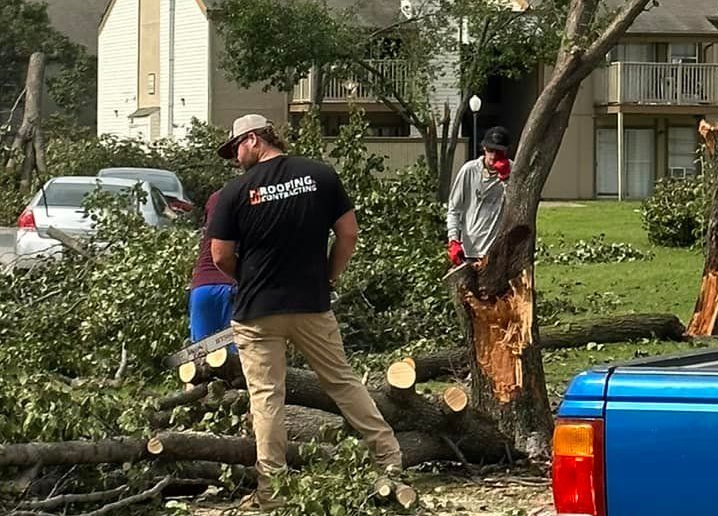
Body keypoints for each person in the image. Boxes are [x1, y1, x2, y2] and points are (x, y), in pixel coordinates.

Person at [208, 114, 403, 493]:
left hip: (258, 308)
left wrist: (246, 278)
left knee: (266, 397)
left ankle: (272, 487)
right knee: (342, 382)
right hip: (311, 302)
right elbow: (348, 233)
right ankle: (389, 457)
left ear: (253, 139)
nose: (235, 158)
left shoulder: (235, 192)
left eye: (235, 148)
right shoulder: (320, 175)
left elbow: (220, 255)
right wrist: (329, 276)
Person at [446, 124, 512, 269]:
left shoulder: (513, 171)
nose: (493, 156)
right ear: (484, 148)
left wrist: (506, 178)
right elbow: (454, 209)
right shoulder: (469, 170)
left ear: (506, 152)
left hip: (497, 252)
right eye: (490, 150)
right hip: (470, 251)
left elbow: (516, 206)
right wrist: (453, 240)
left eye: (499, 151)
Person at [187, 187, 238, 341]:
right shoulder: (254, 198)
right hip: (234, 286)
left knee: (201, 356)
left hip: (202, 286)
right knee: (239, 358)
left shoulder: (216, 197)